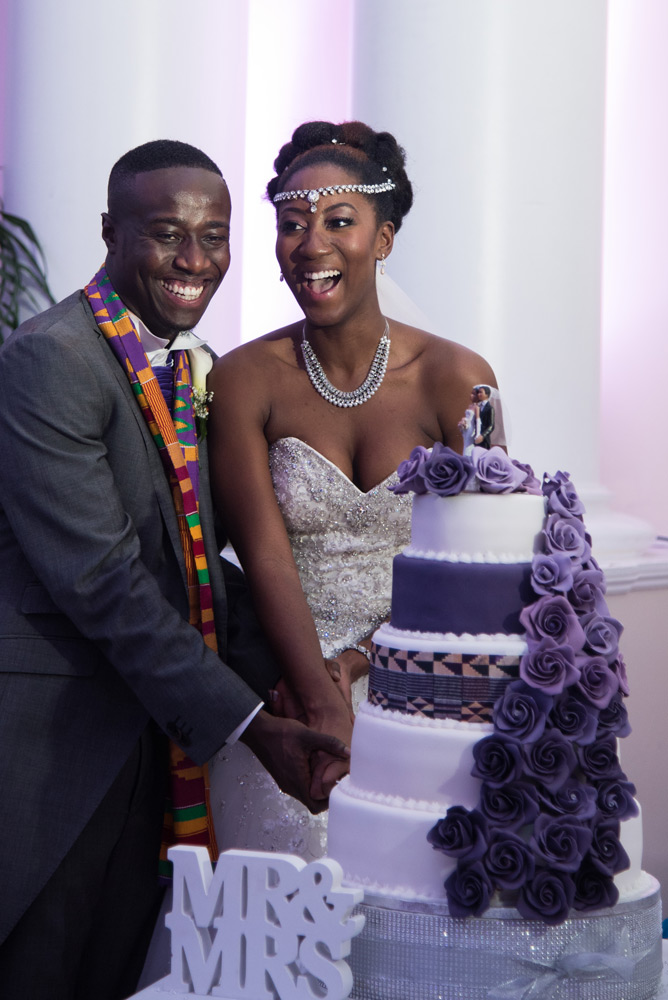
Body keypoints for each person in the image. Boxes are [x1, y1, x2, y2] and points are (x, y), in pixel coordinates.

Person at [0, 140, 348, 1000]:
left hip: (156, 736)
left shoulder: (197, 369)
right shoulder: (51, 360)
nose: (196, 261)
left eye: (215, 235)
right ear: (111, 231)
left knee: (120, 971)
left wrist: (317, 665)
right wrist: (253, 723)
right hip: (61, 744)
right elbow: (106, 582)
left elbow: (193, 566)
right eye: (166, 233)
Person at [206, 120, 498, 860]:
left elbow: (481, 563)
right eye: (292, 225)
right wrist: (320, 697)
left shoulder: (461, 380)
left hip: (428, 682)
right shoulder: (242, 379)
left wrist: (364, 665)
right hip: (285, 693)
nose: (312, 244)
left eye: (339, 221)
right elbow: (264, 554)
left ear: (385, 238)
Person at [458, 386, 481, 455]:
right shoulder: (470, 406)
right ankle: (465, 456)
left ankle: (469, 457)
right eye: (471, 393)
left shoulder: (477, 407)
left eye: (473, 394)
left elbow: (478, 421)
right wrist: (463, 422)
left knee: (469, 444)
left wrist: (478, 433)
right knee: (465, 443)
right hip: (466, 427)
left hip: (471, 428)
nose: (471, 395)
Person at [474, 383, 495, 448]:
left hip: (484, 439)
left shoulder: (490, 408)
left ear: (486, 394)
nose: (478, 394)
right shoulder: (478, 406)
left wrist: (483, 435)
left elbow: (491, 426)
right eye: (478, 393)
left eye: (481, 392)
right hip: (476, 436)